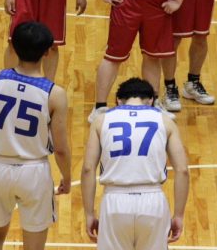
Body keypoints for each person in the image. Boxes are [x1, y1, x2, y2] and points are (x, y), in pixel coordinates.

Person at [0, 21, 72, 250]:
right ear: (47, 52)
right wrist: (66, 177)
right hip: (34, 172)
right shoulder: (55, 94)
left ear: (13, 47)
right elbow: (61, 149)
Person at [81, 77, 190, 249]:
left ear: (118, 100)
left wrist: (89, 214)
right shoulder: (166, 121)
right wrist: (179, 215)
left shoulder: (101, 121)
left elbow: (88, 169)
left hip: (115, 202)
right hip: (152, 201)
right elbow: (182, 170)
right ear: (151, 100)